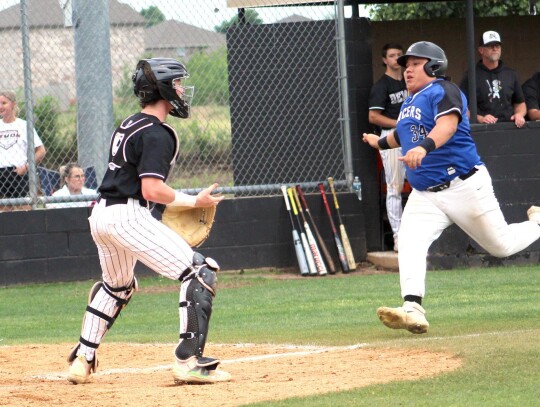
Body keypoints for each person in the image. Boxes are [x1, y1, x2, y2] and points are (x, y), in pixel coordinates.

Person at [67, 58, 230, 384]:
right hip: (126, 216)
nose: (183, 90)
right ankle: (188, 360)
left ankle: (82, 359)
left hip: (100, 215)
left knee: (117, 287)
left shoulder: (130, 123)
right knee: (200, 273)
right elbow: (151, 188)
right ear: (164, 89)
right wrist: (193, 200)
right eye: (179, 84)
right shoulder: (158, 133)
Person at [363, 41, 540, 334]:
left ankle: (537, 223)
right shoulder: (410, 101)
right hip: (426, 195)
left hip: (463, 186)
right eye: (406, 65)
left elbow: (446, 125)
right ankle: (412, 308)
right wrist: (378, 142)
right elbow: (403, 135)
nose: (407, 70)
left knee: (501, 246)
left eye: (415, 64)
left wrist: (425, 147)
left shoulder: (444, 91)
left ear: (434, 66)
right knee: (409, 241)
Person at [368, 43, 408, 251]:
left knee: (424, 183)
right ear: (384, 60)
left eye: (399, 55)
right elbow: (373, 116)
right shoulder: (381, 86)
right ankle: (398, 236)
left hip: (413, 136)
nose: (396, 59)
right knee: (394, 187)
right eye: (392, 56)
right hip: (391, 136)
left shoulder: (410, 81)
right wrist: (399, 124)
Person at [459, 30, 526, 127]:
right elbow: (462, 108)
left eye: (497, 46)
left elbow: (520, 103)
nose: (495, 49)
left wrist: (519, 115)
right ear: (481, 50)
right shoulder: (470, 76)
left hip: (509, 129)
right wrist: (480, 118)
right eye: (491, 46)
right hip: (482, 130)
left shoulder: (511, 74)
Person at [0, 90, 46, 210]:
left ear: (13, 104)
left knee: (24, 208)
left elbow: (41, 150)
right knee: (4, 210)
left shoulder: (23, 125)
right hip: (1, 172)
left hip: (18, 173)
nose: (0, 106)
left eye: (4, 103)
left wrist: (26, 167)